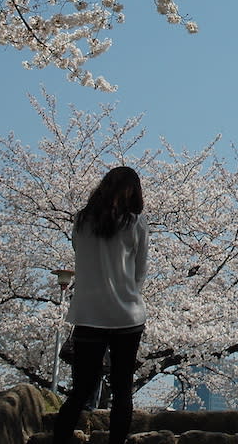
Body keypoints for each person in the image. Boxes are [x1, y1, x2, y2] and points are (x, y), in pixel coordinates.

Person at [52, 166, 149, 444]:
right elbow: (139, 272)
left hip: (88, 314)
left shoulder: (81, 222)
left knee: (80, 390)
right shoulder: (136, 223)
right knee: (122, 391)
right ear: (133, 191)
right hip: (126, 315)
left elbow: (79, 254)